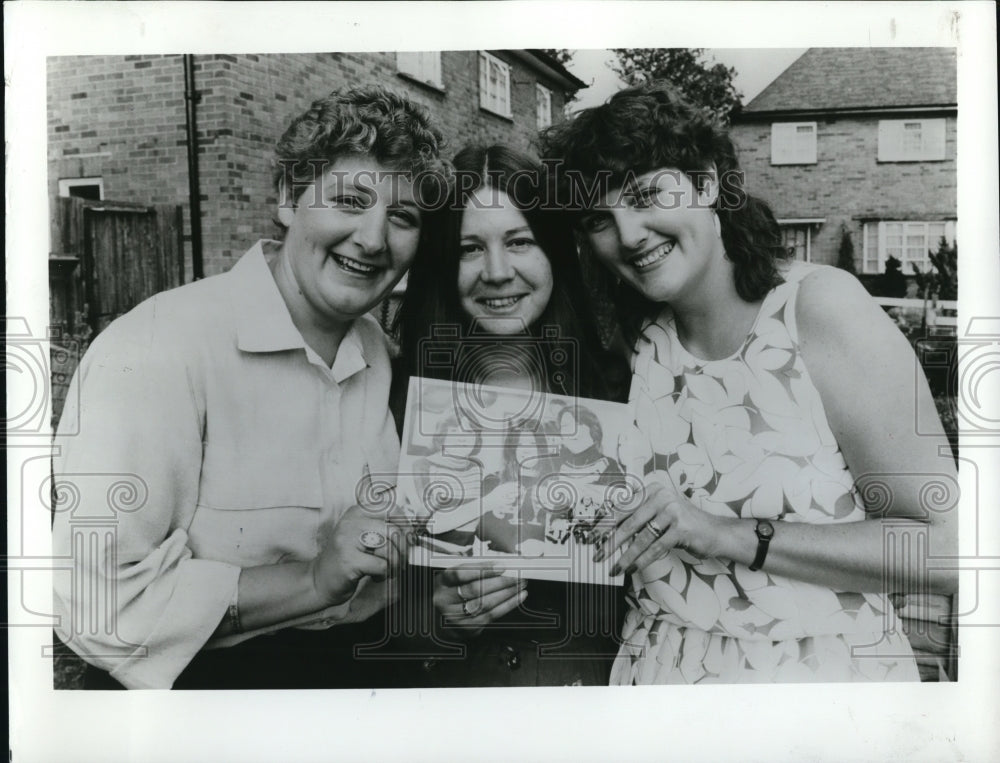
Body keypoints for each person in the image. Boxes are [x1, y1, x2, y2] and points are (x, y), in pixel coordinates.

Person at [540, 81, 958, 683]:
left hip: (820, 687)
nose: (629, 234)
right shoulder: (630, 342)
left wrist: (725, 534)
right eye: (600, 218)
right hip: (657, 681)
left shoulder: (818, 309)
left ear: (708, 183)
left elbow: (948, 549)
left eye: (647, 194)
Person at [51, 87, 449, 689]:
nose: (373, 238)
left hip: (359, 679)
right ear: (288, 199)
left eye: (403, 216)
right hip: (202, 696)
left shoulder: (377, 351)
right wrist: (313, 580)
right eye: (349, 200)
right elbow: (93, 602)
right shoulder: (158, 346)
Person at [392, 143, 630, 686]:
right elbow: (381, 617)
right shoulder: (401, 398)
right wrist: (442, 618)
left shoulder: (624, 387)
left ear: (554, 252)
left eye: (519, 241)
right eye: (469, 248)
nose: (497, 273)